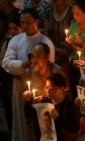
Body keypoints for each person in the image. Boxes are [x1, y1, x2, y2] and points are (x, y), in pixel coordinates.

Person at [2, 8, 55, 141]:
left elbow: (50, 65)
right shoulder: (16, 40)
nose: (24, 26)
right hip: (20, 84)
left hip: (40, 87)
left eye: (28, 22)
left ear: (36, 21)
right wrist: (21, 65)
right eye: (22, 22)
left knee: (39, 121)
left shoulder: (46, 42)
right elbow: (6, 62)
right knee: (21, 120)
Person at [65, 0, 85, 100]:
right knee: (74, 89)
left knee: (84, 90)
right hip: (72, 61)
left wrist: (75, 45)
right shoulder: (73, 25)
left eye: (78, 14)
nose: (75, 16)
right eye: (73, 13)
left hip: (84, 64)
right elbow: (68, 44)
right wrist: (68, 43)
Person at [0, 12, 23, 131]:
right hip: (7, 82)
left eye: (16, 28)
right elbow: (2, 60)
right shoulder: (8, 42)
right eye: (10, 29)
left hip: (21, 83)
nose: (12, 31)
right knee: (10, 112)